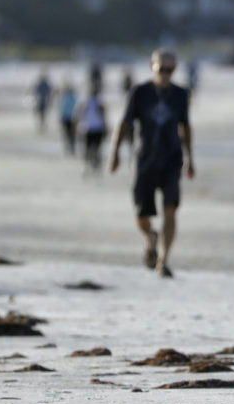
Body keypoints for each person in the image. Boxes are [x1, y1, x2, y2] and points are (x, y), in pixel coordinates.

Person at [110, 49, 194, 278]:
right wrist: (114, 153)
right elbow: (125, 124)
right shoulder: (139, 93)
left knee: (170, 211)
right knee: (142, 214)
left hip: (171, 160)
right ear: (152, 66)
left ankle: (163, 261)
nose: (166, 74)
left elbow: (185, 127)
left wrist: (190, 159)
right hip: (144, 160)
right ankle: (150, 237)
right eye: (162, 68)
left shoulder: (180, 94)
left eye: (171, 69)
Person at [79, 91, 108, 176]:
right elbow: (103, 116)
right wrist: (105, 126)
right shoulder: (99, 104)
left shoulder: (86, 104)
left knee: (88, 149)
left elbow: (81, 115)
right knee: (97, 149)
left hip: (89, 129)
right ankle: (95, 166)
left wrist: (79, 126)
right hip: (98, 129)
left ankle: (88, 166)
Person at [58, 79, 79, 156]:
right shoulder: (72, 97)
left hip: (67, 117)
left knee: (68, 133)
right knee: (71, 134)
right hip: (70, 118)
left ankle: (70, 147)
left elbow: (61, 108)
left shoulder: (65, 97)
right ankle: (70, 147)